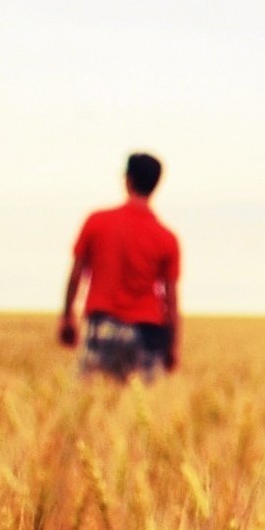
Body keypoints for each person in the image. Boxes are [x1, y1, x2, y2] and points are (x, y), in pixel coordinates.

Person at [58, 153, 182, 381]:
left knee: (91, 403)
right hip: (148, 332)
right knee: (143, 408)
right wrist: (173, 346)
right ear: (156, 185)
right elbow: (171, 300)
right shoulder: (167, 238)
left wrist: (67, 317)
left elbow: (76, 275)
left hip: (102, 327)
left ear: (127, 179)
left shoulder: (96, 221)